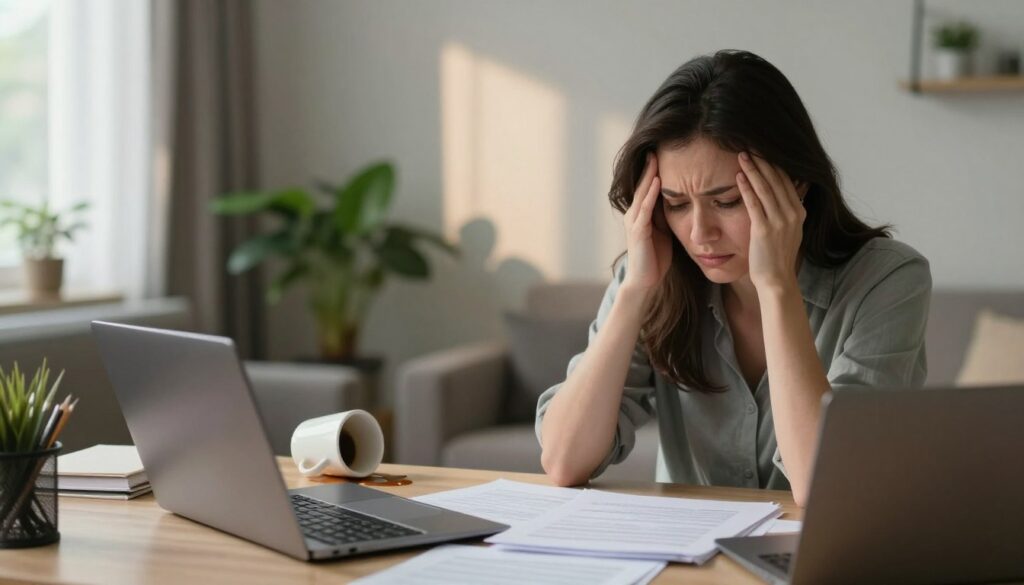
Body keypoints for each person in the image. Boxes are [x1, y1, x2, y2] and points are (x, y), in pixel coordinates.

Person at [535, 50, 931, 507]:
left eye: (726, 201)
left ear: (796, 184)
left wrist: (777, 284)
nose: (699, 234)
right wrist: (634, 291)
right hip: (690, 566)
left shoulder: (890, 281)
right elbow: (564, 460)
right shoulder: (649, 276)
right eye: (677, 204)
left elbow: (825, 486)